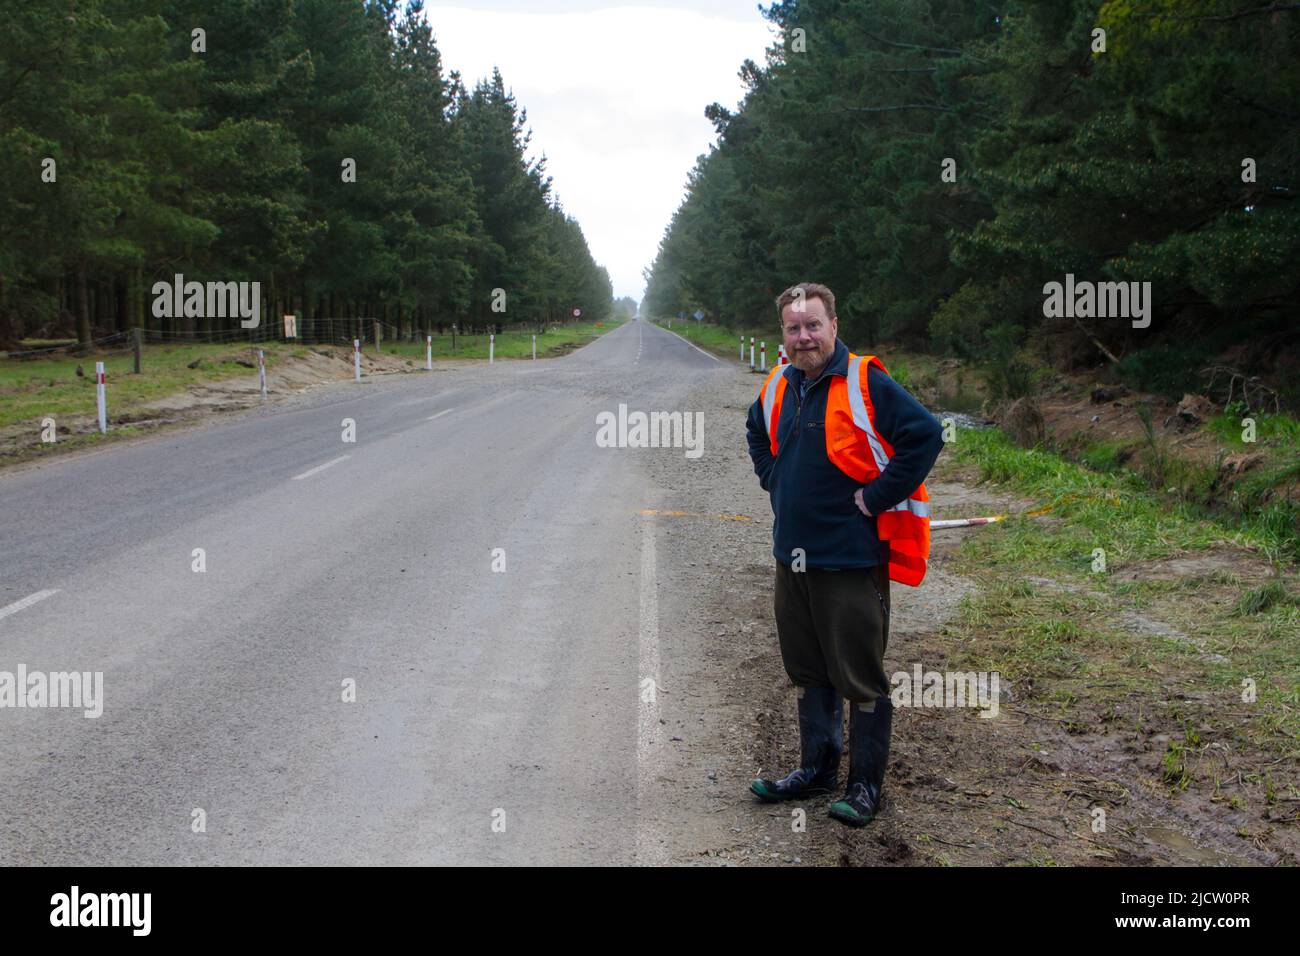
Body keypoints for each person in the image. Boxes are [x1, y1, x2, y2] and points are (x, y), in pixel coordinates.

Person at [745, 282, 943, 826]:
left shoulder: (864, 381)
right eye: (793, 327)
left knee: (860, 677)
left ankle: (864, 788)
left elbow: (925, 435)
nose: (803, 336)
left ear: (834, 325)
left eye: (813, 325)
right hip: (794, 559)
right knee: (810, 672)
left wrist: (877, 496)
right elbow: (754, 430)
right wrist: (772, 476)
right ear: (782, 334)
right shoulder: (780, 383)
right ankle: (817, 770)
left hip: (851, 561)